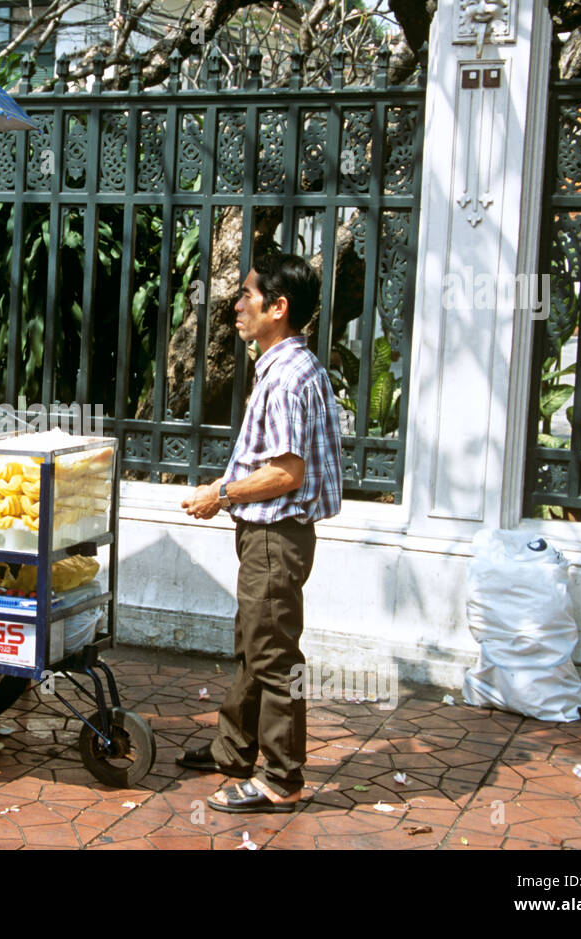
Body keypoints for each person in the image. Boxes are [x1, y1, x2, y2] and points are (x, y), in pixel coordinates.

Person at [177, 249, 343, 814]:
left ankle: (281, 778)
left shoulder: (288, 377)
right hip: (269, 537)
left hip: (277, 537)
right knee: (254, 644)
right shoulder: (285, 366)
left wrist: (218, 493)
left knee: (273, 657)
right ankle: (234, 750)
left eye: (248, 295)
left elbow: (286, 471)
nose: (237, 305)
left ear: (279, 307)